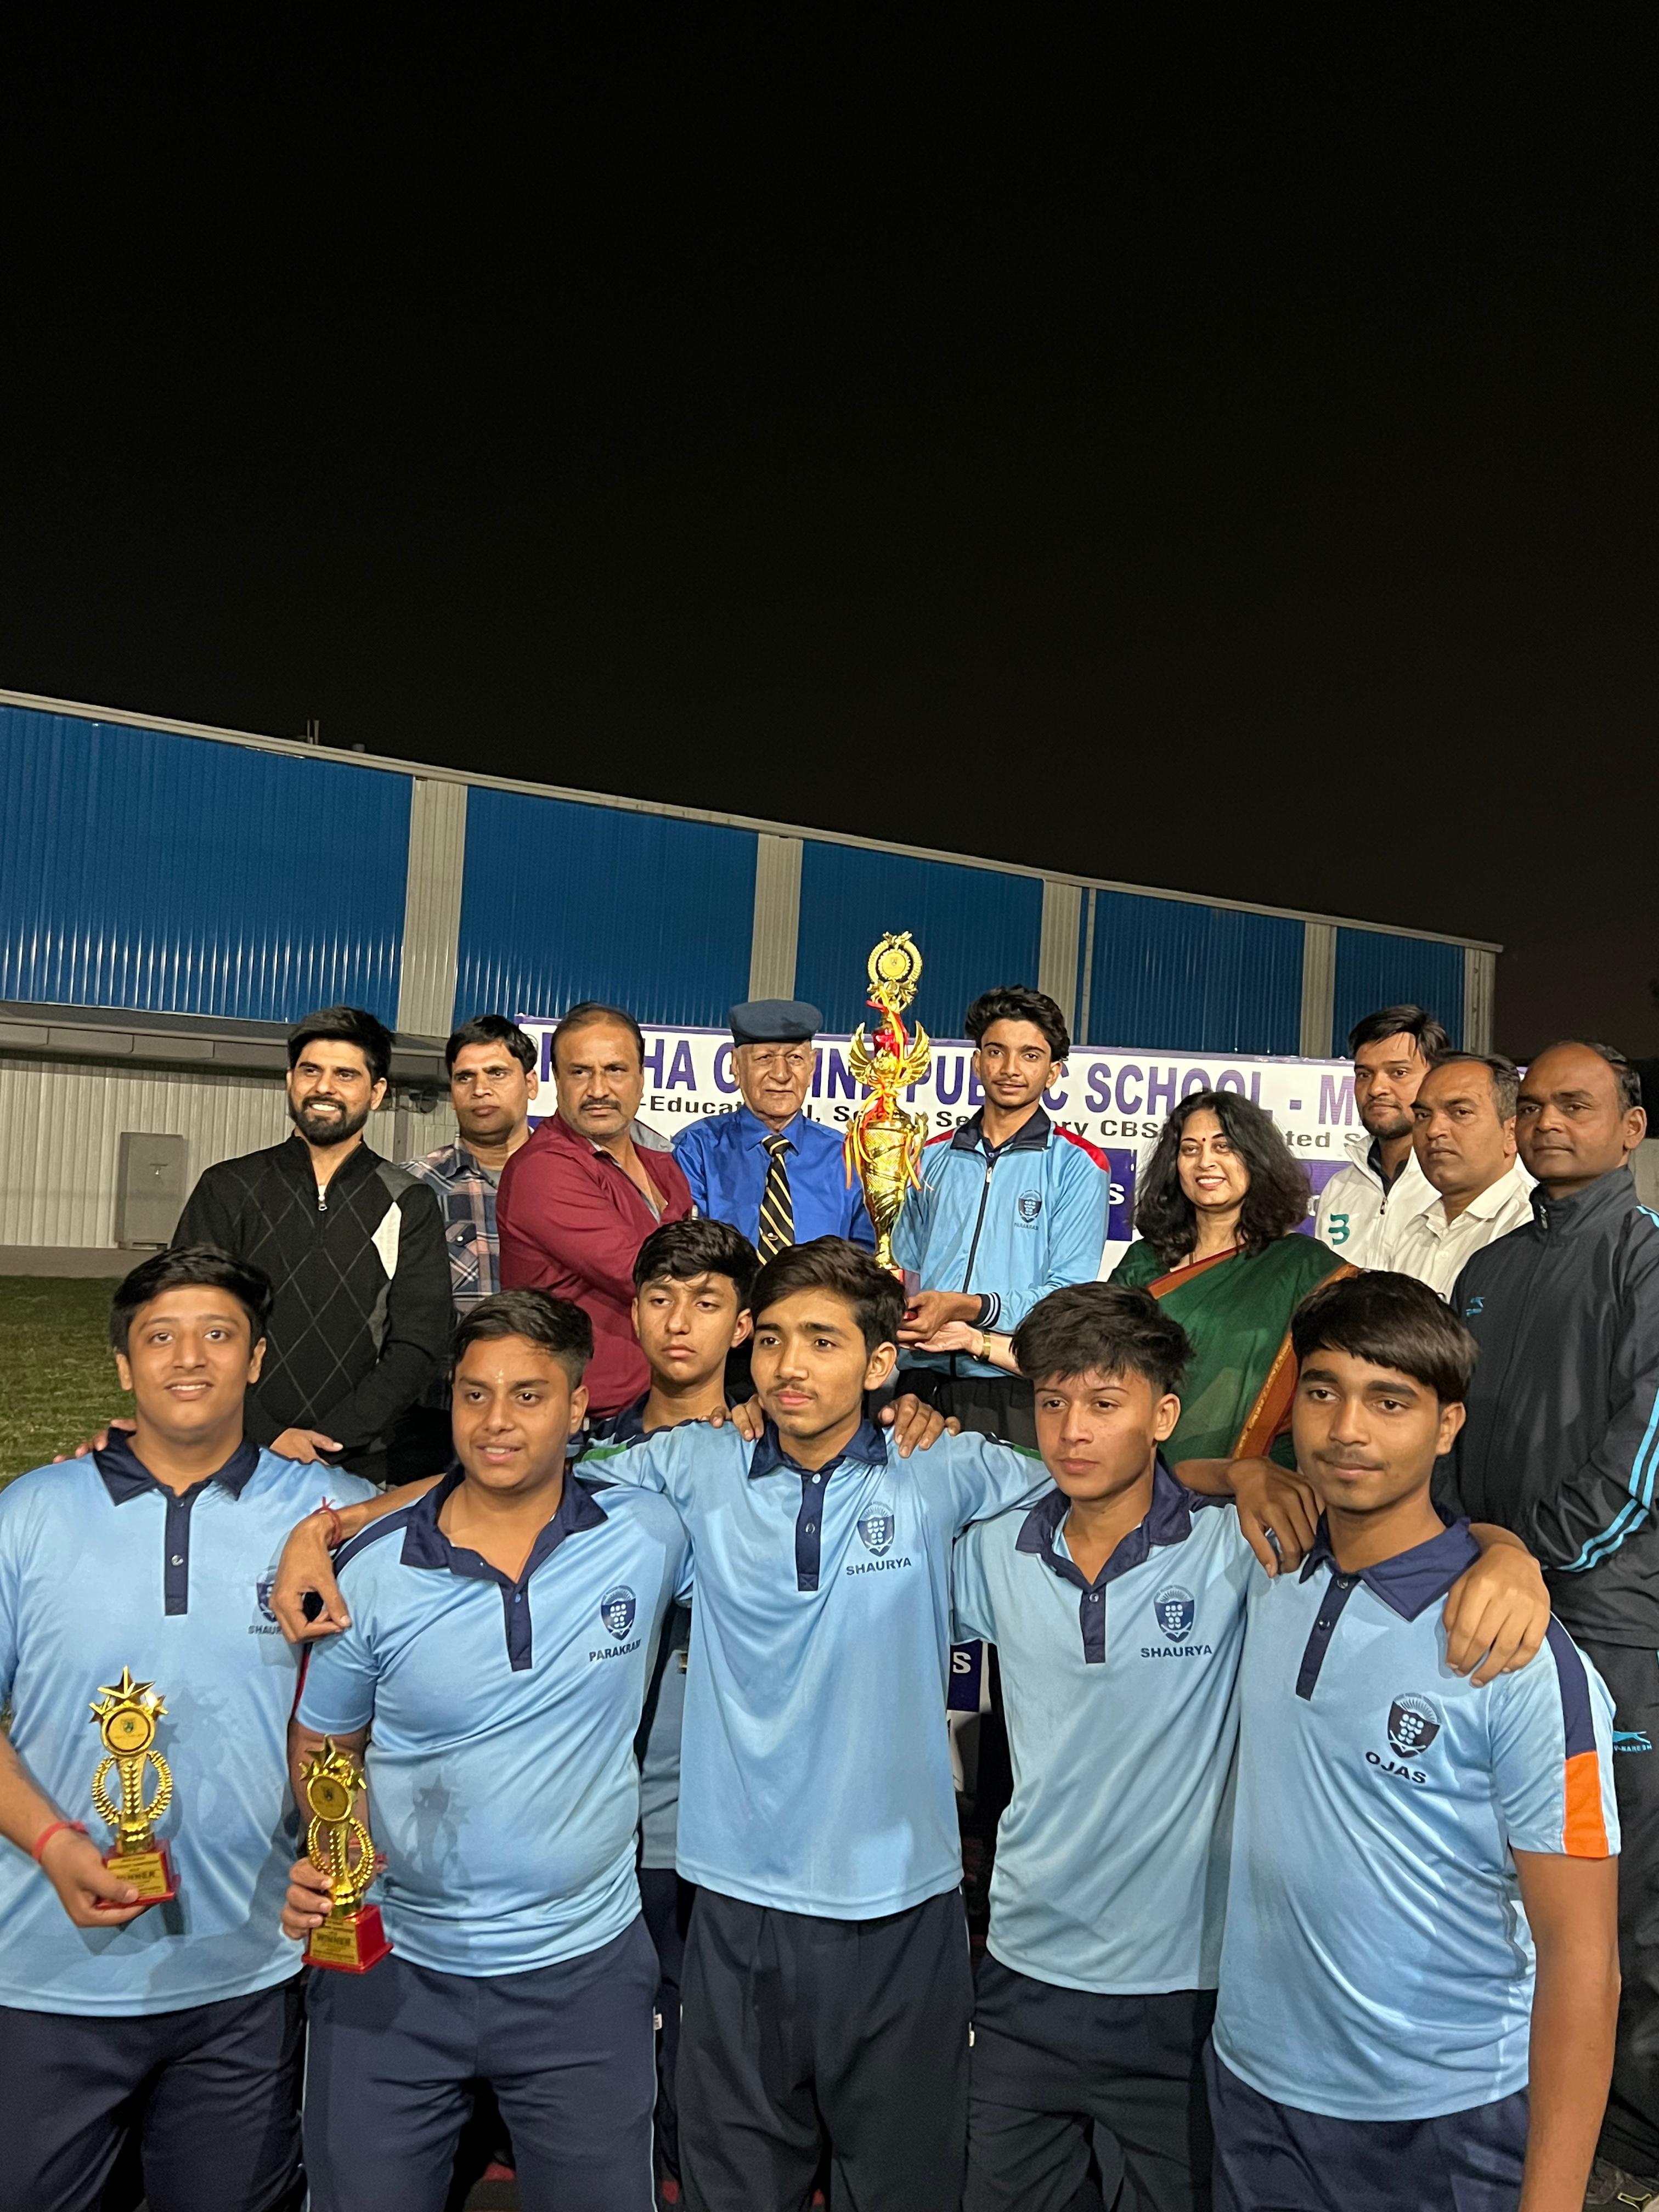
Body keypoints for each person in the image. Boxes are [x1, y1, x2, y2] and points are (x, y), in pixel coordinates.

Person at [952, 1281, 1555, 2212]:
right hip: (1022, 1973)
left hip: (1189, 1991)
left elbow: (1385, 1532)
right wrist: (1237, 1469)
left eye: (1105, 1403)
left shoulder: (1243, 1553)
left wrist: (1503, 1550)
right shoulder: (994, 1548)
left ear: (1162, 1415)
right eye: (1052, 1402)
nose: (1073, 1430)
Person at [1210, 1271, 1621, 2212]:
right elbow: (1145, 1483)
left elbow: (1583, 1960)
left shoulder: (1518, 1655)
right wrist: (1240, 1471)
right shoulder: (1273, 1560)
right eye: (1322, 1392)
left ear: (1447, 1424)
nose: (1346, 1429)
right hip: (1252, 2090)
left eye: (1388, 1401)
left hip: (1440, 2124)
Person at [281, 1289, 690, 2212]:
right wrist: (335, 1849)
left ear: (578, 1407)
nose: (495, 1420)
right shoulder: (373, 1573)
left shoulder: (646, 1534)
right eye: (475, 1394)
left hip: (583, 1972)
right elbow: (324, 1741)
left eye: (527, 1395)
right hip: (392, 1968)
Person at [0, 1247, 374, 2212]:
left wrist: (336, 1524)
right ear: (124, 1367)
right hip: (48, 1972)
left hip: (245, 1977)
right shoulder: (32, 1511)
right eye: (160, 1338)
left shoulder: (328, 1511)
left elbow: (475, 1494)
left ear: (257, 1358)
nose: (190, 1358)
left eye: (219, 1334)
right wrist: (51, 1842)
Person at [1438, 1039, 1659, 2202]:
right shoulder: (1490, 1264)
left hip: (1604, 1620)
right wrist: (1461, 1552)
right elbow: (1447, 1425)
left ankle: (1630, 2152)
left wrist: (1529, 1551)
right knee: (1497, 1877)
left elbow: (1641, 1453)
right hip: (1482, 1603)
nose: (1546, 1123)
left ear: (1631, 1127)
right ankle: (1516, 2110)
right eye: (1531, 1107)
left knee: (1619, 1903)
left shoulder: (1646, 1257)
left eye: (1575, 1105)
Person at [589, 1215, 761, 2194]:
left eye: (705, 1302)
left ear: (743, 1325)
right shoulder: (588, 1448)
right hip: (613, 1816)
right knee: (617, 2046)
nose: (679, 1322)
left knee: (722, 2052)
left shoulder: (780, 1450)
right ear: (633, 1313)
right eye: (659, 1299)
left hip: (735, 1817)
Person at [170, 1003, 453, 1481]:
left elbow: (418, 1343)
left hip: (355, 1462)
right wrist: (265, 1432)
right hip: (230, 1449)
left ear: (377, 1092)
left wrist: (332, 1439)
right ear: (290, 1081)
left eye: (346, 1075)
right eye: (311, 1071)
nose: (324, 1087)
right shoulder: (228, 1188)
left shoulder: (409, 1201)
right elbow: (186, 1320)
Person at [895, 985, 1110, 1447]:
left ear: (1053, 1072)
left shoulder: (1077, 1164)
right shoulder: (929, 1157)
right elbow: (905, 1268)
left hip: (1014, 1385)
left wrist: (969, 1309)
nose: (1011, 1069)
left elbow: (1066, 1296)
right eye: (996, 1052)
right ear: (977, 1062)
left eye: (1030, 1056)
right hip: (920, 1382)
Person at [1110, 1090, 1351, 1472]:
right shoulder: (1144, 1263)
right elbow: (1098, 1360)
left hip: (1260, 1482)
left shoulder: (1302, 1266)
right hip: (1142, 1471)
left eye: (1224, 1147)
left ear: (1254, 1157)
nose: (1205, 1162)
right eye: (1190, 1150)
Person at [497, 1001, 693, 1420]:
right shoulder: (543, 1169)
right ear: (557, 1081)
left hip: (659, 1408)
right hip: (582, 1421)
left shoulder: (662, 1163)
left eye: (615, 1070)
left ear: (641, 1079)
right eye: (580, 1072)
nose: (599, 1090)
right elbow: (645, 1273)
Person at [393, 1013, 541, 1477]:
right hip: (434, 1421)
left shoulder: (576, 1184)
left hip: (548, 1417)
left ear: (531, 1084)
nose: (480, 1089)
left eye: (496, 1073)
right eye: (465, 1077)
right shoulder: (411, 1188)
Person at [672, 998, 874, 1255]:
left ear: (812, 1066)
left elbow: (866, 1260)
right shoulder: (696, 1150)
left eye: (795, 1058)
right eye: (765, 1058)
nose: (781, 1075)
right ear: (736, 1066)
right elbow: (685, 1254)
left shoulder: (848, 1157)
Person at [1372, 1050, 1533, 1297]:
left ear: (1512, 1133)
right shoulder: (1415, 1234)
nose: (1434, 1130)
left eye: (1461, 1113)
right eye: (1423, 1116)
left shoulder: (1530, 1230)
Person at [1313, 1004, 1445, 1264]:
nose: (1376, 1089)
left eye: (1399, 1073)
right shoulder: (1340, 1188)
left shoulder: (1455, 1185)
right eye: (1364, 1074)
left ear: (1437, 1079)